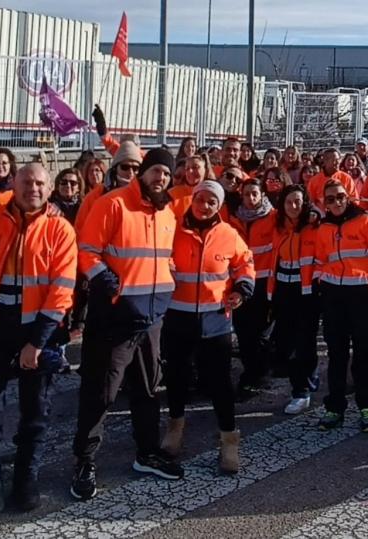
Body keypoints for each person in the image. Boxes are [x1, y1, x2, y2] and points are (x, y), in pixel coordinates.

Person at [0, 163, 76, 516]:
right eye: (26, 182)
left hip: (36, 332)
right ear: (13, 183)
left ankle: (26, 478)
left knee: (35, 412)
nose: (34, 189)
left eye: (40, 183)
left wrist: (38, 342)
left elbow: (61, 291)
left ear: (49, 188)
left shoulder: (60, 229)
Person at [71, 148, 183, 500]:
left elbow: (165, 257)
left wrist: (170, 277)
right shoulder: (114, 204)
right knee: (101, 392)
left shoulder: (168, 212)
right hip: (114, 319)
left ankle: (147, 452)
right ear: (142, 173)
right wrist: (103, 277)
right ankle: (85, 460)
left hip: (151, 319)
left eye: (166, 174)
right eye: (155, 172)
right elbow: (85, 249)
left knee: (147, 389)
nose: (160, 178)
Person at [160, 180, 255, 475]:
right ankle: (175, 427)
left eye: (211, 202)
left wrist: (242, 289)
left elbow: (245, 264)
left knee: (220, 382)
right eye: (200, 200)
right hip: (178, 317)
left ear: (219, 205)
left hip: (215, 321)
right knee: (176, 377)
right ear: (193, 200)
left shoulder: (229, 234)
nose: (205, 206)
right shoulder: (173, 230)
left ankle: (229, 439)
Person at [314, 179, 368, 432]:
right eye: (330, 199)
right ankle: (334, 407)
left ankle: (367, 406)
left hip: (362, 296)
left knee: (363, 355)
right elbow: (319, 260)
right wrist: (320, 284)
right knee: (336, 355)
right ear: (323, 203)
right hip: (334, 296)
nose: (336, 203)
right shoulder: (323, 228)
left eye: (339, 197)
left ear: (348, 197)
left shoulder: (366, 222)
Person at [267, 185, 322, 415]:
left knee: (305, 341)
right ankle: (304, 382)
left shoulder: (314, 226)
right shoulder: (277, 225)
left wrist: (316, 213)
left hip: (306, 291)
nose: (293, 207)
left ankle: (302, 390)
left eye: (298, 202)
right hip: (282, 289)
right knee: (287, 341)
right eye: (289, 202)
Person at [228, 179, 278, 399]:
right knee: (243, 332)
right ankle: (252, 372)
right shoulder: (233, 219)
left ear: (262, 195)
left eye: (254, 194)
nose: (251, 198)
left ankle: (256, 375)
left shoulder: (274, 217)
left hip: (264, 283)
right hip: (241, 283)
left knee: (261, 333)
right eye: (247, 194)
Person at [75, 140, 144, 231]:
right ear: (116, 168)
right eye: (125, 167)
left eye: (135, 168)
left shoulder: (147, 195)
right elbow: (80, 228)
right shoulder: (96, 196)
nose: (130, 172)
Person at [170, 154, 210, 223]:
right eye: (187, 168)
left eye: (195, 167)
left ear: (205, 170)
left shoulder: (213, 194)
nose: (190, 171)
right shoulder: (173, 193)